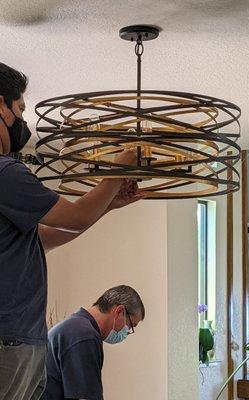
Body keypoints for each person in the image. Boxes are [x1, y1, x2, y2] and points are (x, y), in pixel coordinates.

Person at [0, 62, 144, 400]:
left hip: (21, 337)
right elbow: (75, 217)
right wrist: (117, 168)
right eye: (19, 109)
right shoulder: (6, 173)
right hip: (11, 338)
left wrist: (108, 204)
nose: (23, 122)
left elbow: (44, 237)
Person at [43, 285, 145, 400]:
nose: (127, 332)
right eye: (131, 325)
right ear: (119, 311)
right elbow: (85, 397)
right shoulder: (84, 336)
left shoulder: (75, 326)